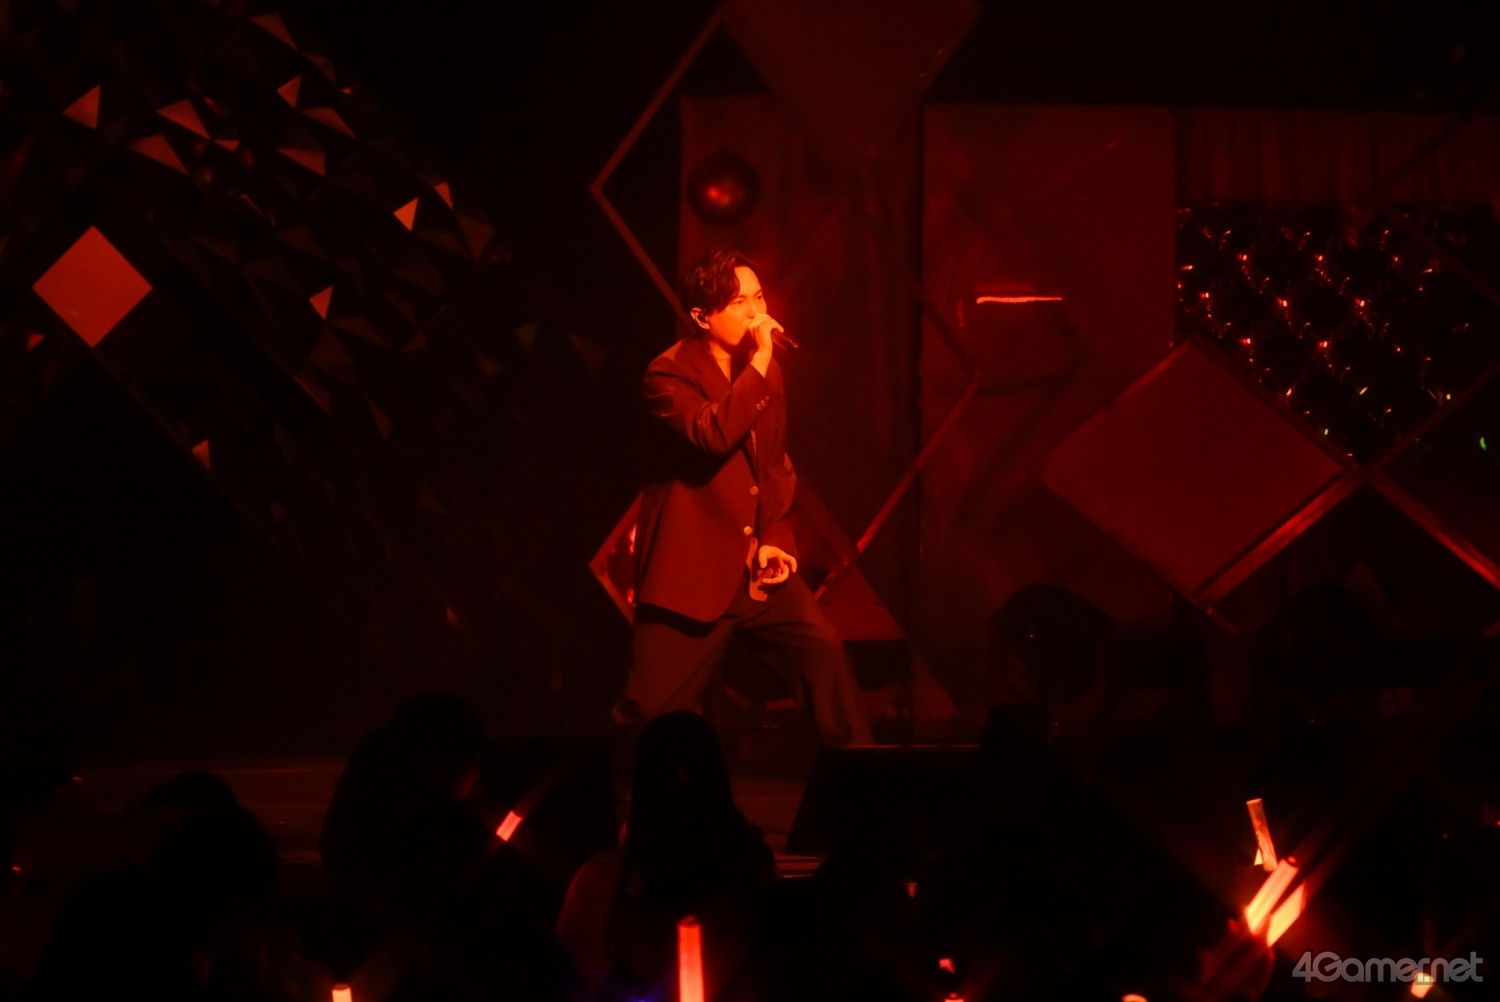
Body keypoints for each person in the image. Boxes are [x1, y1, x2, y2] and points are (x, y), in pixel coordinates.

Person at [614, 249, 872, 747]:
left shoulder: (763, 372)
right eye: (739, 303)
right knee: (648, 713)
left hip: (755, 571)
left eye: (758, 297)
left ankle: (863, 779)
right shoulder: (668, 374)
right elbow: (712, 434)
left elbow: (774, 463)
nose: (757, 312)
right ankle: (625, 792)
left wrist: (775, 536)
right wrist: (759, 361)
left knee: (825, 656)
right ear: (701, 316)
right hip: (692, 576)